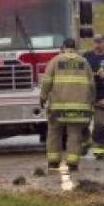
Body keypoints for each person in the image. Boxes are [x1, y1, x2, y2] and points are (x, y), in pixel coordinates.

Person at [40, 38, 94, 170]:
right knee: (74, 133)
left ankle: (53, 161)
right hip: (79, 106)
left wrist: (43, 98)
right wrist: (91, 101)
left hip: (57, 106)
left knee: (54, 132)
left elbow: (46, 82)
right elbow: (92, 85)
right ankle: (73, 163)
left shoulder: (55, 61)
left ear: (63, 47)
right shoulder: (84, 62)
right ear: (75, 47)